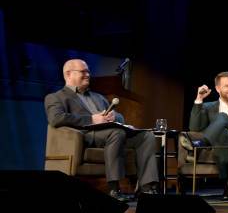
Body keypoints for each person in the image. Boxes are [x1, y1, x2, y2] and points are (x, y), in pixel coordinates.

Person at [44, 59, 159, 202]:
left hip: (111, 133)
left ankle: (147, 188)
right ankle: (114, 189)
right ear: (68, 74)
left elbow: (119, 117)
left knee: (146, 136)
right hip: (85, 135)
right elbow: (56, 118)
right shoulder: (56, 97)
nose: (87, 75)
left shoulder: (98, 97)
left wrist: (114, 116)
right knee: (117, 133)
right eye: (83, 72)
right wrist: (92, 119)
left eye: (88, 72)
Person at [184, 71, 228, 200]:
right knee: (221, 134)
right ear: (217, 88)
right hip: (220, 141)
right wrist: (199, 99)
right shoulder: (208, 107)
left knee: (222, 117)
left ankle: (202, 143)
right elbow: (194, 128)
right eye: (226, 86)